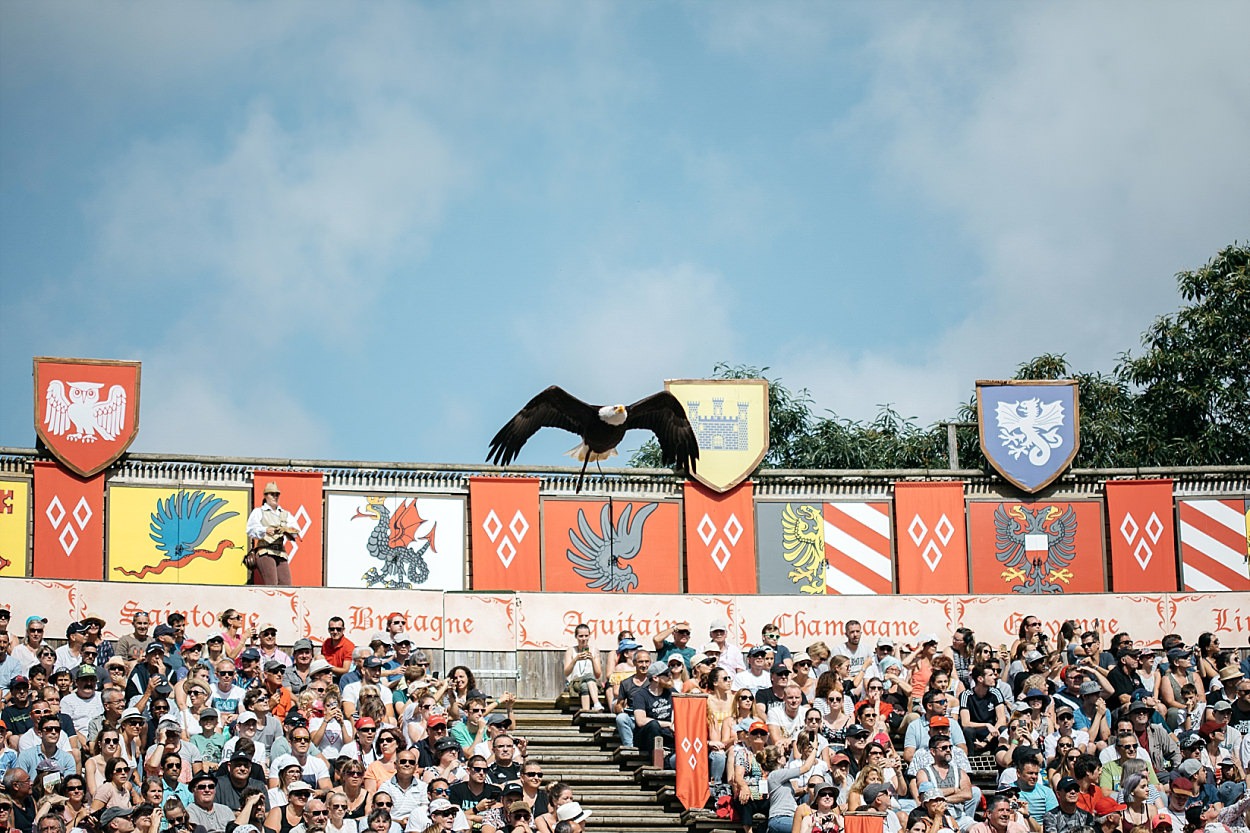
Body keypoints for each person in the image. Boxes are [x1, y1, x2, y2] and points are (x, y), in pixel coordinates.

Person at [246, 483, 301, 587]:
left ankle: (281, 603)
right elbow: (250, 529)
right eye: (272, 494)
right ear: (266, 496)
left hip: (281, 552)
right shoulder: (259, 511)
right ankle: (269, 603)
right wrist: (265, 530)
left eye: (277, 494)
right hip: (265, 550)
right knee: (272, 583)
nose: (275, 497)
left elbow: (296, 531)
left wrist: (286, 530)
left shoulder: (285, 514)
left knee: (286, 584)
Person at [561, 625, 603, 713]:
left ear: (589, 636)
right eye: (581, 636)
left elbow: (598, 674)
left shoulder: (594, 651)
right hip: (575, 683)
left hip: (591, 685)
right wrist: (575, 659)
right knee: (588, 676)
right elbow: (566, 673)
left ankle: (586, 712)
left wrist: (592, 659)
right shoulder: (571, 651)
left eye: (586, 636)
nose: (584, 639)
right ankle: (597, 703)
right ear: (576, 637)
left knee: (586, 684)